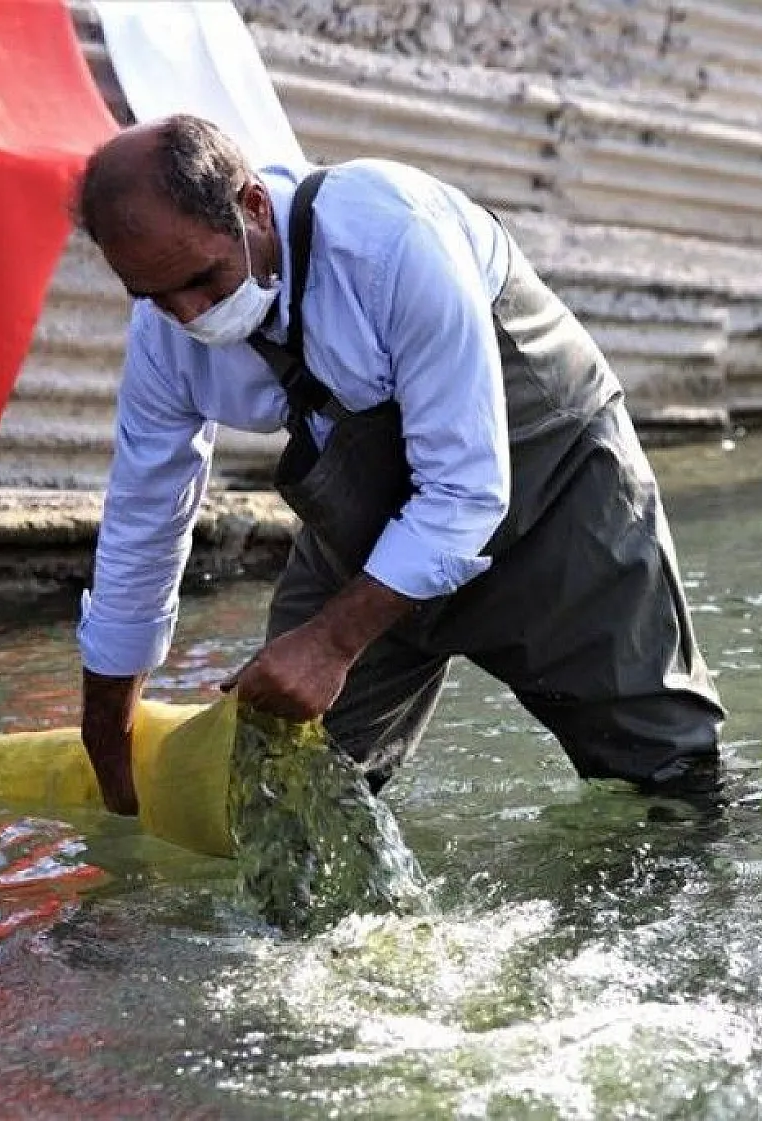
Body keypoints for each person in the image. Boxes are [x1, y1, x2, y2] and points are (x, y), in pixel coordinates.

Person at [73, 114, 724, 816]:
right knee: (280, 794)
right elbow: (144, 519)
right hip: (370, 526)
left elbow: (466, 491)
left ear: (253, 207)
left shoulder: (396, 237)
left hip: (553, 490)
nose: (189, 314)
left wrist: (329, 642)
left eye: (203, 279)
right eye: (154, 296)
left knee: (668, 786)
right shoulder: (165, 339)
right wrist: (108, 724)